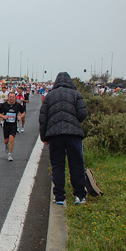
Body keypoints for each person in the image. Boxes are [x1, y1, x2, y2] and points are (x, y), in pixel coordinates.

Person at [39, 72, 88, 206]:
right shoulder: (76, 94)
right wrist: (74, 122)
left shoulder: (49, 96)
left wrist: (44, 137)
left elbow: (43, 118)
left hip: (55, 135)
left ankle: (59, 196)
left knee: (57, 165)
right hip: (73, 134)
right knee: (76, 164)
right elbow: (83, 113)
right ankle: (80, 195)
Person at [0, 91, 25, 162]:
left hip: (13, 124)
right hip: (6, 125)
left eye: (13, 97)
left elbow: (23, 112)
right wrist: (3, 116)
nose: (12, 98)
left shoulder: (18, 105)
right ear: (8, 97)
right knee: (6, 140)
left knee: (11, 138)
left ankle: (10, 154)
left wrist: (20, 117)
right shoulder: (4, 105)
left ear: (15, 98)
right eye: (10, 97)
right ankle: (6, 145)